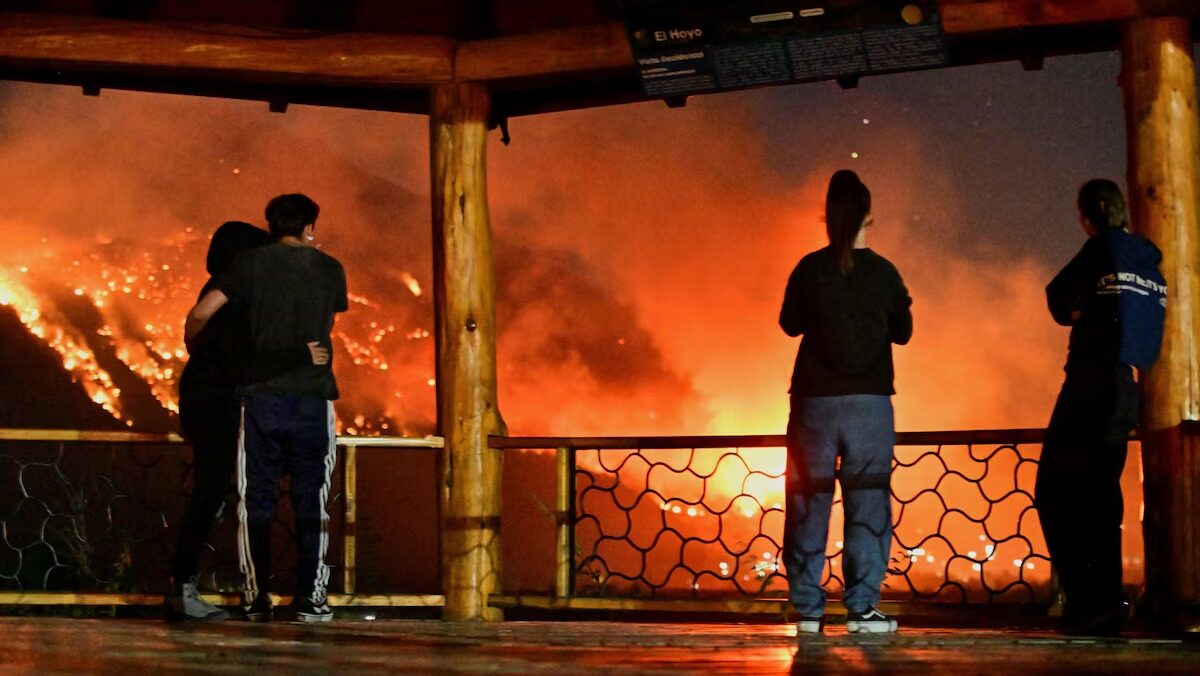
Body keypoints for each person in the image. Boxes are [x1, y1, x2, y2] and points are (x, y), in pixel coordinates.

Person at [185, 194, 348, 623]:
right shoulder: (330, 268)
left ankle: (256, 598)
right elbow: (331, 314)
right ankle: (311, 599)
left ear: (271, 224)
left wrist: (195, 347)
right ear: (309, 226)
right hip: (312, 397)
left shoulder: (247, 265)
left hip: (260, 399)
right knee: (312, 498)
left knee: (255, 498)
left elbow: (201, 313)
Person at [779, 169, 912, 635]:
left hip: (814, 403)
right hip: (869, 404)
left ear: (827, 217)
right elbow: (903, 332)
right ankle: (861, 609)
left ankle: (807, 610)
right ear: (869, 215)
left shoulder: (809, 269)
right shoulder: (885, 273)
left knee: (807, 501)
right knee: (868, 501)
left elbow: (789, 324)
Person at [1035, 179, 1166, 636]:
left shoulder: (1101, 249)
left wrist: (1084, 313)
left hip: (1089, 382)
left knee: (1053, 489)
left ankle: (1085, 600)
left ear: (1086, 216)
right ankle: (1107, 602)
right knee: (1103, 495)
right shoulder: (1147, 261)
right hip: (1127, 387)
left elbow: (1057, 298)